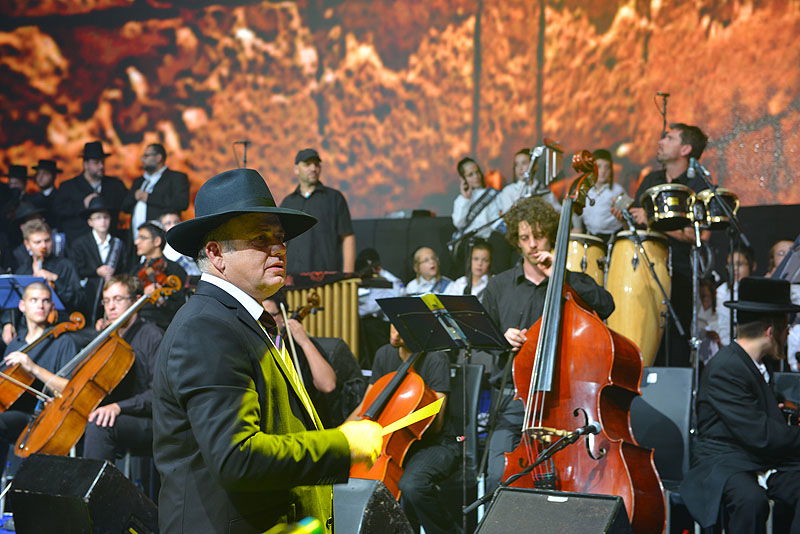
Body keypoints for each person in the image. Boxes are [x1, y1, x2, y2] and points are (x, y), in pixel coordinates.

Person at [152, 168, 382, 533]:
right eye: (261, 238)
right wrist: (341, 444)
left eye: (280, 239)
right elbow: (237, 457)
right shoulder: (206, 328)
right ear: (215, 253)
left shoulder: (235, 320)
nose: (279, 248)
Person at [481, 196, 615, 492]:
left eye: (539, 236)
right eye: (525, 237)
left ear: (550, 236)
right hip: (515, 402)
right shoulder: (499, 286)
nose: (532, 244)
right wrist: (502, 340)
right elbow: (479, 342)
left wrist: (561, 277)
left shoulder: (572, 280)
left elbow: (606, 305)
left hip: (566, 401)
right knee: (495, 475)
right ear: (516, 241)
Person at [681, 277, 800, 533]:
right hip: (726, 460)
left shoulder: (757, 363)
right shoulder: (727, 367)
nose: (788, 332)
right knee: (751, 501)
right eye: (786, 327)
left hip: (758, 457)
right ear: (771, 331)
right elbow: (760, 434)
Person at [348, 323, 461, 534]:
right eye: (392, 324)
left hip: (435, 444)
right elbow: (366, 407)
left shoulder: (435, 358)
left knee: (412, 485)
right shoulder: (384, 354)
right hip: (393, 443)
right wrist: (340, 432)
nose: (395, 332)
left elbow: (435, 425)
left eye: (402, 327)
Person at [625, 122, 710, 367]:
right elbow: (635, 215)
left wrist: (651, 220)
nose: (661, 142)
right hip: (644, 267)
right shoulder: (652, 178)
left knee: (676, 336)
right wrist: (626, 214)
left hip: (679, 272)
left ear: (685, 149)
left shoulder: (698, 186)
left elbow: (700, 236)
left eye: (669, 138)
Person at [82, 275, 163, 461]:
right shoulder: (107, 339)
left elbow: (159, 394)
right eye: (107, 300)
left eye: (118, 299)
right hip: (118, 414)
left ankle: (96, 490)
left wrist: (119, 407)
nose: (110, 307)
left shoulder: (153, 336)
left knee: (99, 425)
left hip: (149, 420)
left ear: (135, 301)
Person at [0, 282, 76, 476]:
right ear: (22, 306)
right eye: (34, 300)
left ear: (52, 306)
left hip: (41, 416)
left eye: (45, 301)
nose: (40, 306)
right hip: (13, 412)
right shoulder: (15, 344)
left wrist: (32, 367)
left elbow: (69, 389)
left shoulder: (63, 341)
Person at [263, 291, 351, 429]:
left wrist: (304, 341)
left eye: (271, 315)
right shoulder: (256, 346)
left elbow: (328, 385)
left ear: (283, 316)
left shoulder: (297, 345)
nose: (266, 321)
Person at [280, 149, 356, 274]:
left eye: (316, 164)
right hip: (293, 277)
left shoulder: (334, 198)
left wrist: (348, 275)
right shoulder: (288, 202)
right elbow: (281, 241)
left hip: (327, 276)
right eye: (307, 164)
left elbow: (347, 236)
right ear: (296, 169)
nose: (313, 168)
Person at [69, 197, 134, 320]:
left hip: (114, 293)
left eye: (106, 217)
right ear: (90, 222)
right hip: (90, 294)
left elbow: (126, 268)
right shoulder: (80, 244)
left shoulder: (118, 243)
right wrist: (96, 271)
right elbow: (76, 270)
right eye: (98, 218)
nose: (103, 221)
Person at [54, 141, 128, 241]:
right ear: (85, 164)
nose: (101, 166)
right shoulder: (68, 186)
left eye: (102, 162)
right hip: (78, 244)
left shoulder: (115, 185)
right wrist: (82, 204)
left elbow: (127, 204)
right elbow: (58, 212)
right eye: (96, 162)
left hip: (109, 243)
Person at [122, 143, 190, 241]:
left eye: (146, 156)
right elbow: (125, 207)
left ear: (158, 157)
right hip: (136, 239)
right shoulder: (139, 181)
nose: (142, 160)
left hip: (162, 239)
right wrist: (134, 196)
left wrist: (149, 198)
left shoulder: (176, 178)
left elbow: (181, 203)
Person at [131, 221, 187, 330]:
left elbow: (179, 306)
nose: (136, 242)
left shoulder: (174, 269)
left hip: (162, 327)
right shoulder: (136, 270)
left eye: (142, 238)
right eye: (137, 238)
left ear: (157, 241)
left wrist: (162, 301)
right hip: (136, 325)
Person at [356, 247, 404, 365]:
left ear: (377, 268)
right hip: (380, 324)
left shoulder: (384, 281)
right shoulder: (372, 279)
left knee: (368, 325)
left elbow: (370, 308)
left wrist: (350, 310)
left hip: (389, 326)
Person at [573, 149, 624, 242]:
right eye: (599, 167)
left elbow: (627, 217)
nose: (603, 171)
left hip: (612, 238)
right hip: (590, 237)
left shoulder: (618, 190)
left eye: (607, 167)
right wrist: (577, 228)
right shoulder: (585, 191)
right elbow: (577, 214)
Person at [715, 245, 756, 346]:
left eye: (740, 264)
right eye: (730, 265)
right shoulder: (722, 291)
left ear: (753, 266)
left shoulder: (757, 289)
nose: (735, 269)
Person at [159, 211, 201, 276]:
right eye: (168, 223)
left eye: (176, 222)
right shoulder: (161, 249)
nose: (173, 225)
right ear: (162, 227)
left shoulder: (191, 241)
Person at [24, 159, 62, 229]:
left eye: (45, 174)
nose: (40, 177)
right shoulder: (31, 198)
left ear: (54, 176)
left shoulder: (61, 196)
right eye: (38, 173)